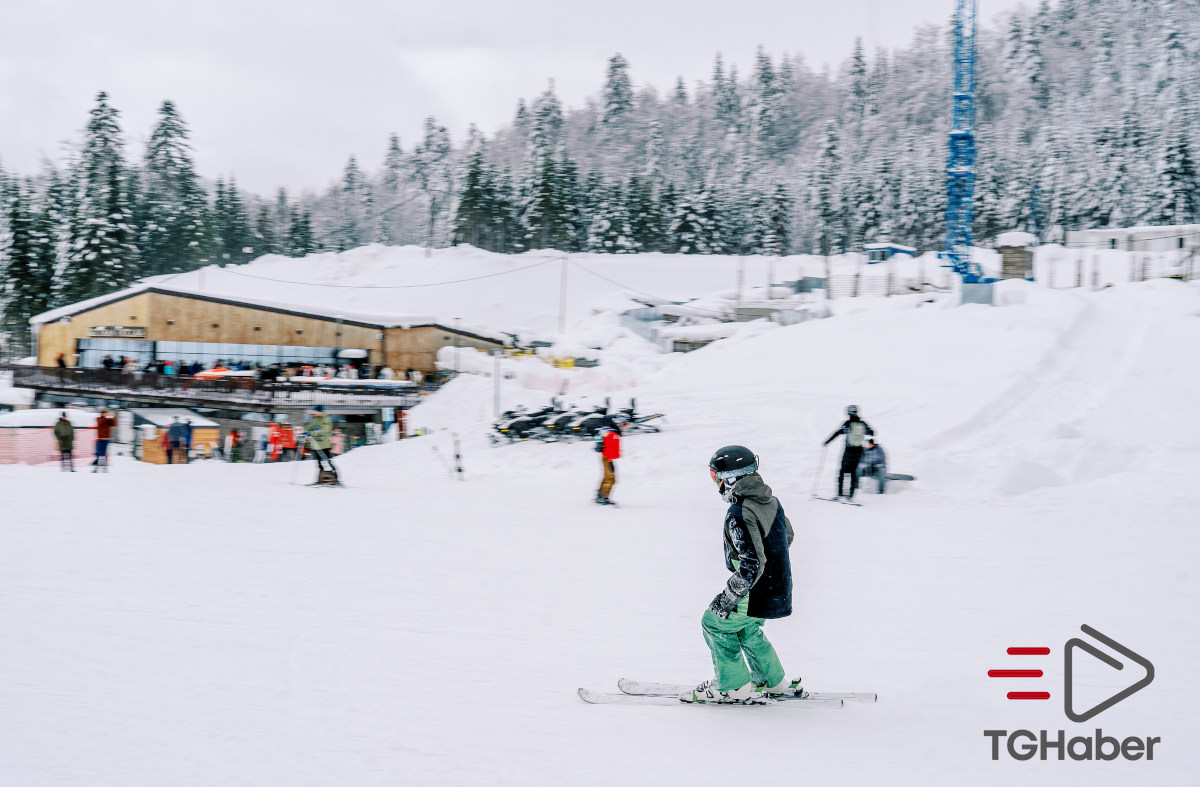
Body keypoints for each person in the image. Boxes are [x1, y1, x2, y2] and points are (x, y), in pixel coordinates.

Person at [681, 446, 796, 704]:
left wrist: (729, 597)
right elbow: (787, 536)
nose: (716, 483)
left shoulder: (739, 511)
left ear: (732, 477)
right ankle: (771, 680)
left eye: (715, 476)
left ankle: (734, 687)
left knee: (713, 623)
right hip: (777, 588)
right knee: (748, 630)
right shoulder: (771, 502)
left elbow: (752, 565)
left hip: (752, 590)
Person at [822, 405, 875, 501]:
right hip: (859, 452)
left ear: (848, 413)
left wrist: (827, 442)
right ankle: (850, 496)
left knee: (842, 473)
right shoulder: (863, 423)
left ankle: (840, 494)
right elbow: (872, 432)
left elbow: (837, 433)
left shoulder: (847, 423)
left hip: (848, 452)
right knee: (853, 473)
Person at [304, 404, 338, 483]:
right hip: (315, 445)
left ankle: (336, 478)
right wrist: (305, 431)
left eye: (315, 411)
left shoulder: (326, 419)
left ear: (320, 411)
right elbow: (309, 427)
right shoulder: (314, 419)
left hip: (324, 444)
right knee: (318, 463)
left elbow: (325, 431)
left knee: (328, 461)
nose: (314, 413)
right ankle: (321, 479)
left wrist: (313, 433)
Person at [595, 422, 621, 505]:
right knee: (611, 478)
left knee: (607, 477)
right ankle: (603, 497)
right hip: (608, 457)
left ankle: (600, 495)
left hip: (607, 457)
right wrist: (610, 460)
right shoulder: (612, 434)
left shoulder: (608, 432)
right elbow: (609, 447)